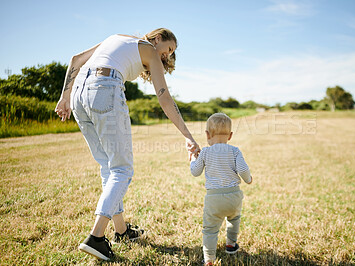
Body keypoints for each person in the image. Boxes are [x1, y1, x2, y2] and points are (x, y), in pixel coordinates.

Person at [55, 28, 200, 261]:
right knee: (123, 169)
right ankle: (96, 237)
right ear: (158, 38)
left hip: (79, 94)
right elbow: (164, 98)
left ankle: (121, 230)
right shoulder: (150, 51)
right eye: (169, 49)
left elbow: (76, 60)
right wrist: (188, 136)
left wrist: (65, 97)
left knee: (109, 168)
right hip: (105, 88)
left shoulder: (116, 38)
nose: (167, 56)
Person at [190, 113, 252, 266]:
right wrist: (249, 179)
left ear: (207, 134)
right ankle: (231, 244)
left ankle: (209, 258)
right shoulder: (235, 151)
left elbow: (195, 172)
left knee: (210, 229)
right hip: (234, 196)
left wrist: (192, 158)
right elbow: (243, 169)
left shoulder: (205, 152)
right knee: (234, 219)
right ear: (230, 135)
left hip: (214, 199)